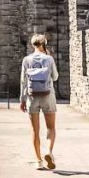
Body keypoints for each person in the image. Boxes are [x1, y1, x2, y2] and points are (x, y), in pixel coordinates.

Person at [19, 33, 59, 170]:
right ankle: (49, 151)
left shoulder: (26, 59)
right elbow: (55, 77)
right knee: (51, 128)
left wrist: (22, 100)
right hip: (48, 95)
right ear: (44, 44)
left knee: (35, 130)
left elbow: (23, 81)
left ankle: (38, 161)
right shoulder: (49, 59)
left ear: (32, 45)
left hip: (32, 97)